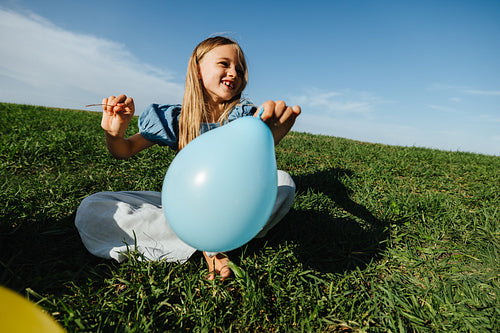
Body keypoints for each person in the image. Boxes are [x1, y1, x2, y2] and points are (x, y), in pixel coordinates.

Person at [75, 36, 301, 280]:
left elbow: (252, 169)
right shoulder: (176, 119)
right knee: (92, 208)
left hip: (232, 204)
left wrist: (271, 135)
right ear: (198, 70)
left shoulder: (245, 118)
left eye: (240, 68)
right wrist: (114, 133)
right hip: (184, 205)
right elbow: (124, 150)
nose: (234, 72)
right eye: (224, 64)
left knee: (284, 183)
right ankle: (209, 239)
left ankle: (211, 242)